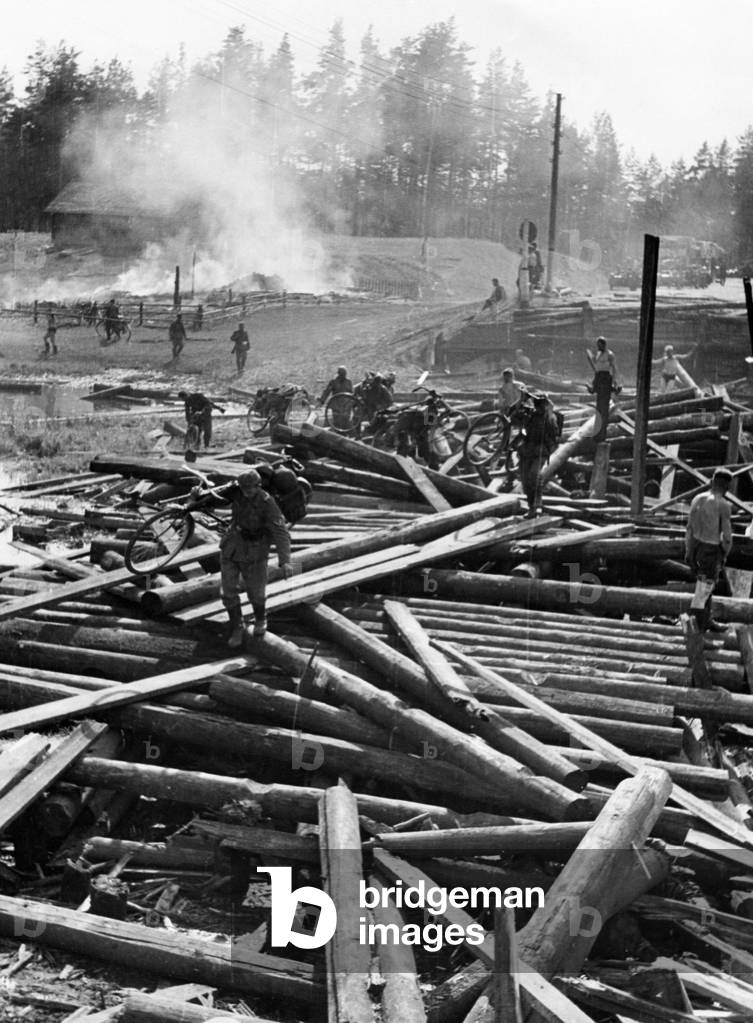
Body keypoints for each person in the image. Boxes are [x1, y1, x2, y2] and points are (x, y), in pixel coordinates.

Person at [192, 468, 293, 646]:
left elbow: (280, 531)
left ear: (258, 486)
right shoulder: (236, 493)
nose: (247, 492)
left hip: (255, 551)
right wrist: (197, 496)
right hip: (232, 546)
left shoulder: (267, 503)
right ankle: (237, 626)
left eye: (250, 489)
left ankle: (261, 619)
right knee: (228, 592)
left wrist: (285, 561)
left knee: (256, 594)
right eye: (244, 488)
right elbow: (215, 497)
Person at [685, 467, 733, 632]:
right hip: (711, 551)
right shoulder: (723, 504)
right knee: (703, 591)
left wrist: (689, 552)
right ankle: (697, 631)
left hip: (697, 547)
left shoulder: (697, 498)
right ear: (727, 488)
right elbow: (726, 537)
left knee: (704, 588)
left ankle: (706, 620)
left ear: (712, 481)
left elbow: (689, 528)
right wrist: (725, 552)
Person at [515, 393, 559, 517]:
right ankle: (531, 507)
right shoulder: (529, 415)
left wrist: (550, 409)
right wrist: (521, 400)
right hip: (527, 450)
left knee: (534, 476)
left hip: (540, 450)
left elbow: (554, 431)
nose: (538, 406)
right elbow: (513, 416)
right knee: (525, 479)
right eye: (536, 403)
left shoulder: (549, 417)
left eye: (540, 404)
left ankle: (537, 505)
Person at [588, 337, 620, 442]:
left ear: (604, 345)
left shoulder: (610, 355)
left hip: (606, 380)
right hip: (599, 379)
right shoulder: (598, 354)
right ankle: (597, 434)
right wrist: (593, 384)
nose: (598, 347)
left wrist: (615, 383)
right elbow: (597, 370)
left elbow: (614, 369)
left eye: (599, 345)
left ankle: (603, 435)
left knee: (604, 409)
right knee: (598, 408)